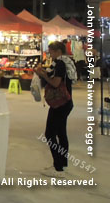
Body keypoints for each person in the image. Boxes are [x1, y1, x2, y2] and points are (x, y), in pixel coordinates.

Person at [34, 41, 73, 177]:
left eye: (50, 51)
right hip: (66, 102)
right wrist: (42, 73)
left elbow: (56, 83)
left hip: (60, 103)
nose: (49, 53)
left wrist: (43, 75)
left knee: (50, 134)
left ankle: (58, 168)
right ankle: (62, 164)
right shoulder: (65, 62)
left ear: (57, 51)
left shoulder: (60, 63)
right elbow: (52, 76)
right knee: (61, 133)